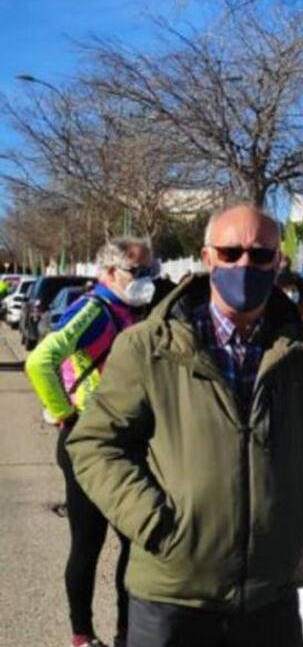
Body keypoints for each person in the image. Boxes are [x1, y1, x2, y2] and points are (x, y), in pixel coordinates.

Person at [66, 204, 303, 646]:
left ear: (278, 261)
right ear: (207, 257)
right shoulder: (148, 346)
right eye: (231, 252)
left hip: (270, 595)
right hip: (173, 596)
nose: (244, 264)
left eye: (260, 255)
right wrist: (154, 523)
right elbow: (95, 444)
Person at [26, 237, 156, 647]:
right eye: (138, 271)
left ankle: (125, 631)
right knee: (88, 542)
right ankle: (82, 636)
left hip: (128, 443)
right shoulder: (93, 310)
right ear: (110, 272)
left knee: (134, 544)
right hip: (88, 445)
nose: (146, 279)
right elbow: (39, 360)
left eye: (150, 271)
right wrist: (65, 414)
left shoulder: (131, 310)